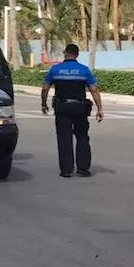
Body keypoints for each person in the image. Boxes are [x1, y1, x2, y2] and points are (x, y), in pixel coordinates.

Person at [41, 44, 104, 178]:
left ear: (65, 53)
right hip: (80, 108)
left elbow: (45, 87)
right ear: (77, 54)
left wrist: (43, 103)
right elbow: (94, 90)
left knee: (64, 138)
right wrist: (100, 108)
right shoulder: (84, 70)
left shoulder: (55, 69)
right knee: (82, 137)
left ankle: (66, 170)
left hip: (62, 107)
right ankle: (83, 168)